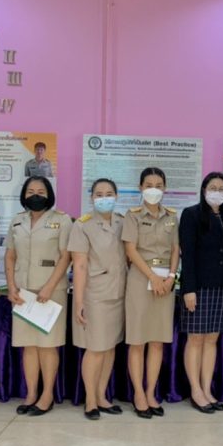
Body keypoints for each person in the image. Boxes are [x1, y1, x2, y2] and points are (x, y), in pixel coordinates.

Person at [5, 177, 72, 417]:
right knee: (29, 346)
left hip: (50, 292)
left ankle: (47, 395)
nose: (36, 195)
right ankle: (31, 393)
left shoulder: (62, 220)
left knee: (47, 345)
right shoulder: (17, 220)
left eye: (41, 191)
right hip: (22, 292)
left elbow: (66, 256)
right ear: (24, 195)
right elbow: (10, 255)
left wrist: (49, 287)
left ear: (49, 194)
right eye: (31, 191)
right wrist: (11, 286)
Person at [123, 167, 179, 419]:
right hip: (140, 279)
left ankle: (150, 392)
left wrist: (171, 277)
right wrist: (152, 277)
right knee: (137, 341)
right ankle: (138, 394)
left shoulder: (172, 217)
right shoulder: (132, 216)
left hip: (165, 283)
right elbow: (131, 250)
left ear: (165, 188)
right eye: (148, 185)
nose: (153, 189)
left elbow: (176, 249)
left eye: (158, 185)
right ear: (140, 188)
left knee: (157, 341)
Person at [178, 172, 223, 414]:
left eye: (221, 189)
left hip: (221, 287)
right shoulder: (191, 214)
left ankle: (206, 388)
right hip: (198, 287)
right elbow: (188, 254)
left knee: (212, 339)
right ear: (204, 190)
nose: (217, 192)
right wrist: (189, 289)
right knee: (196, 339)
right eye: (213, 188)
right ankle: (195, 390)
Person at [70, 178, 128, 420]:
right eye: (99, 194)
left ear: (116, 196)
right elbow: (79, 266)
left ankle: (102, 396)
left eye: (109, 193)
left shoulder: (123, 222)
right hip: (95, 295)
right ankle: (90, 400)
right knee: (95, 349)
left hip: (119, 293)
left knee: (110, 347)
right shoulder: (82, 225)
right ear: (92, 197)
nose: (104, 198)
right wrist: (79, 302)